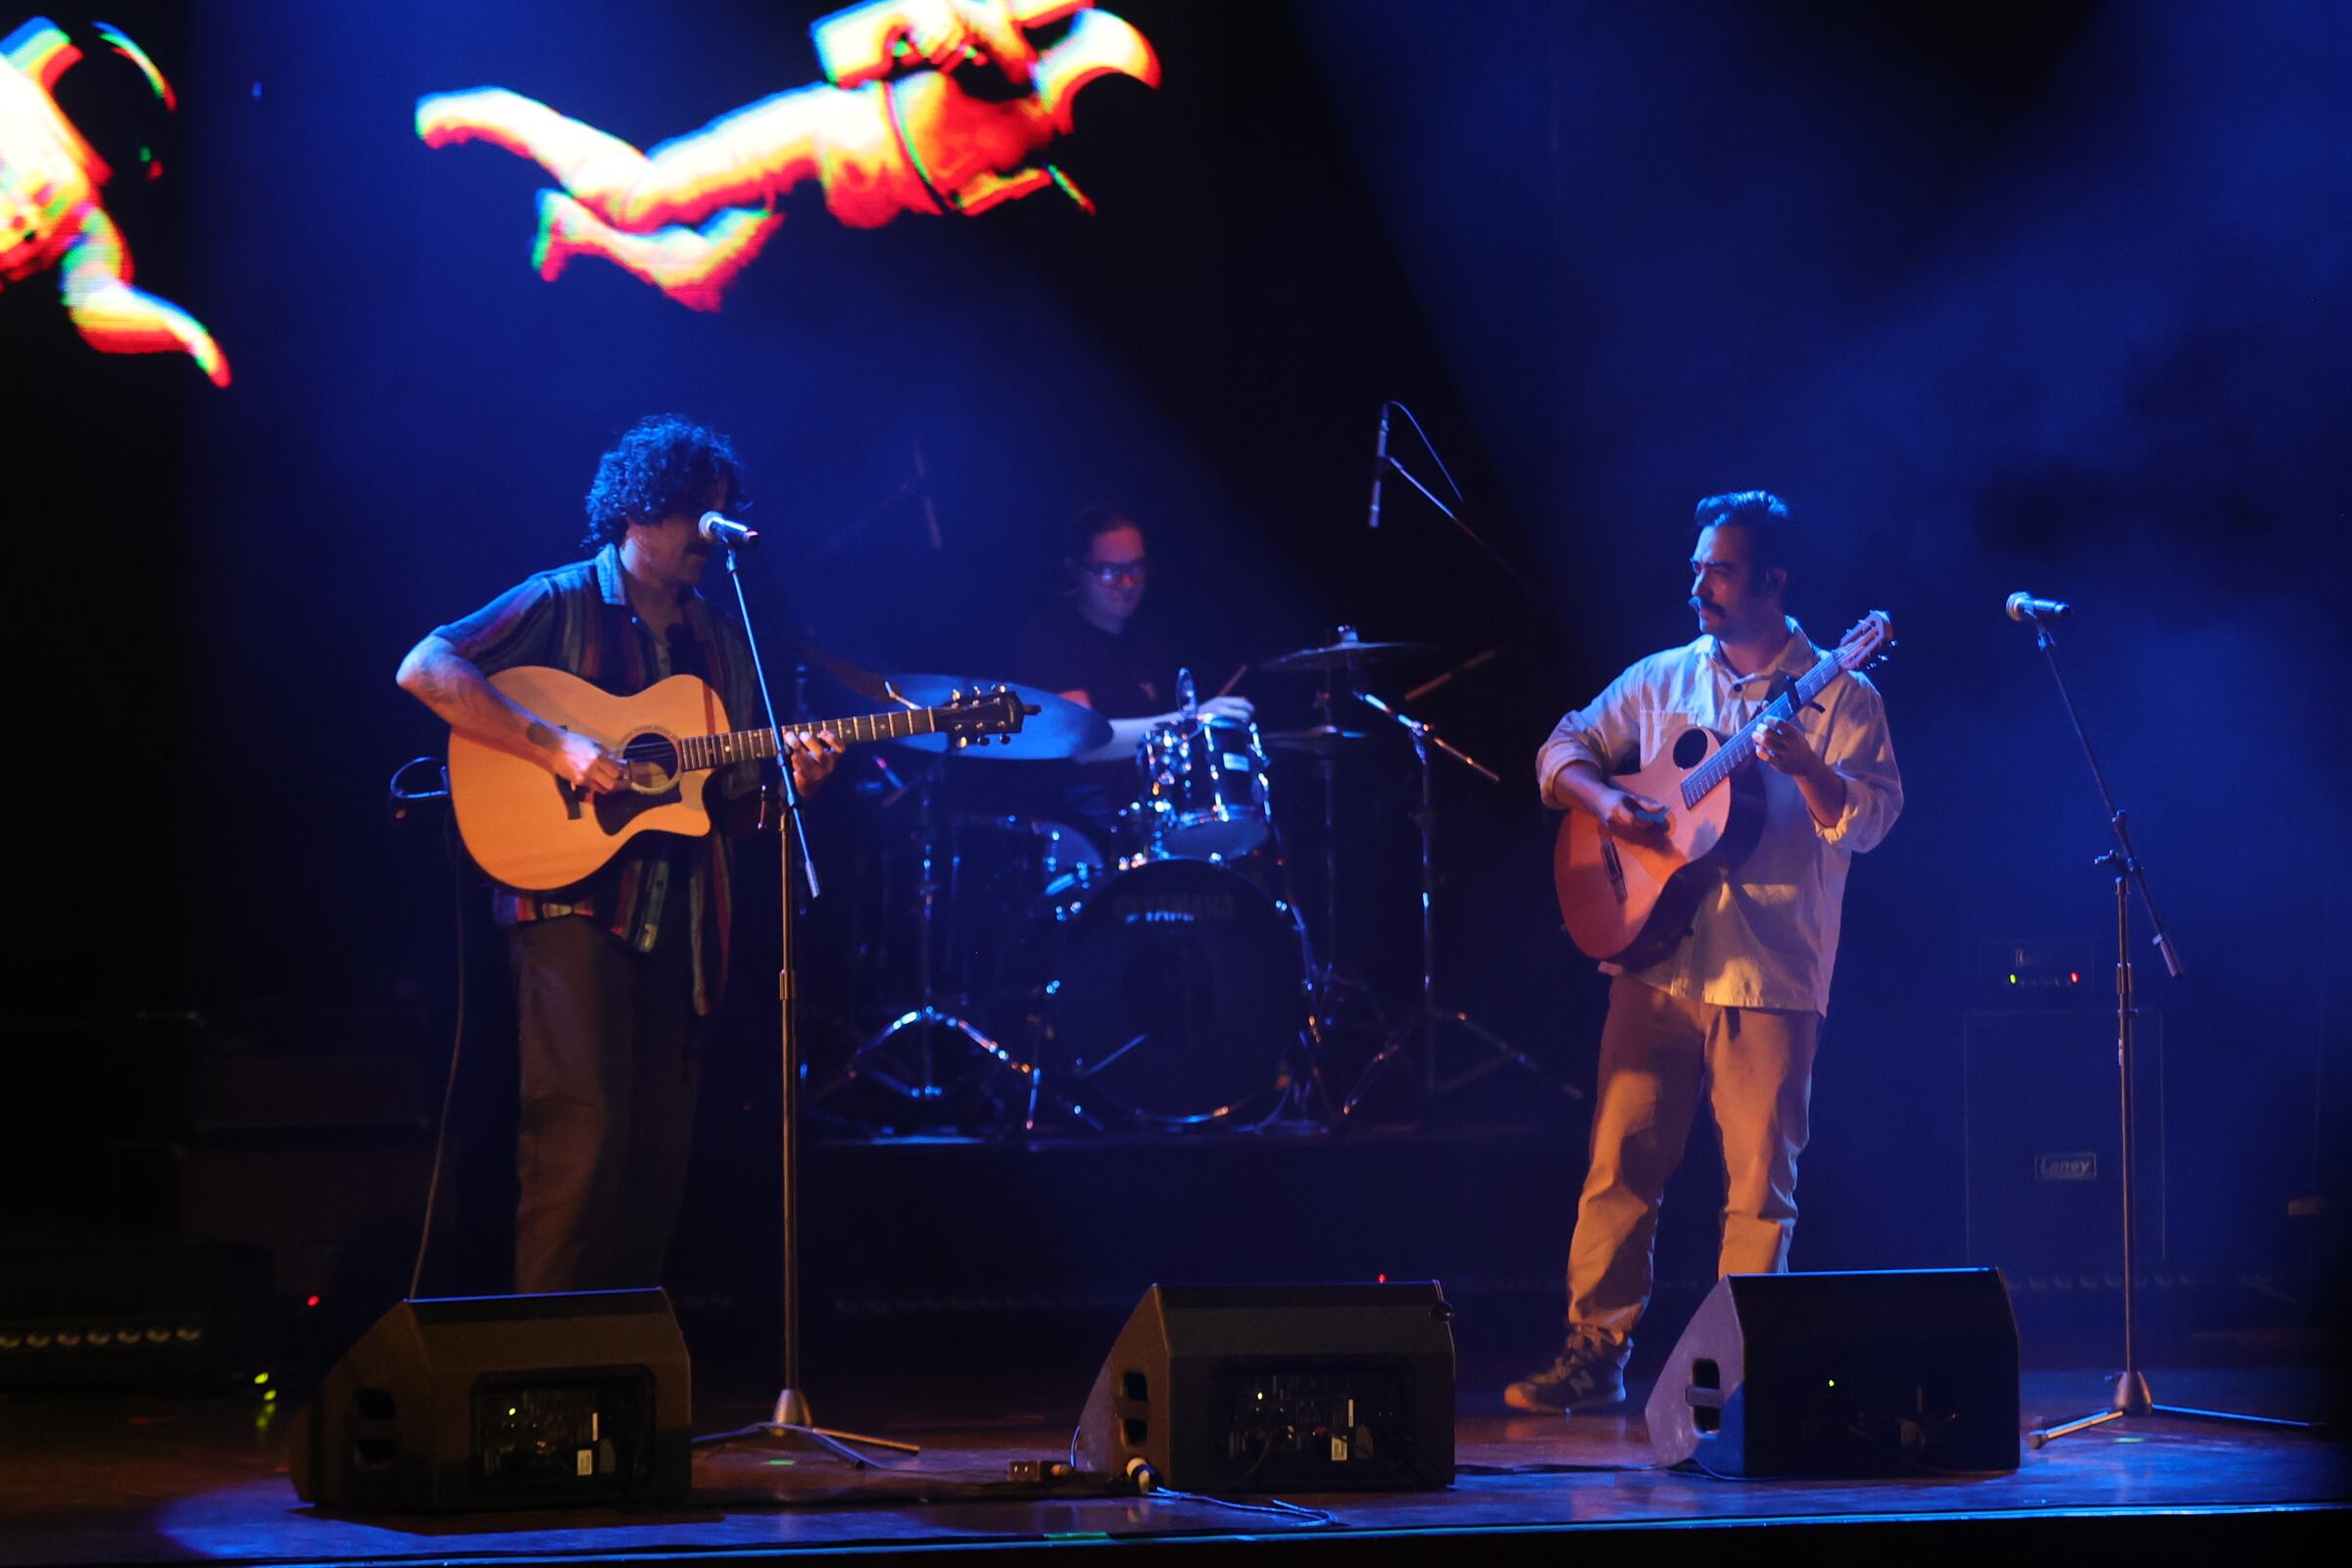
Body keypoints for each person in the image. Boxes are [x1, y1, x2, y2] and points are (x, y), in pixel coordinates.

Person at [395, 415, 842, 1294]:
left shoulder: (722, 638)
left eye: (720, 513)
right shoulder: (559, 601)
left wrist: (796, 786)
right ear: (639, 512)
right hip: (573, 906)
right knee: (583, 1142)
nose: (709, 535)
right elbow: (425, 666)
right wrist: (554, 744)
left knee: (655, 1159)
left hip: (684, 924)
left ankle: (623, 1365)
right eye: (695, 514)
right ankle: (546, 1363)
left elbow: (728, 809)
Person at [1509, 490, 1902, 1413]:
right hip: (1654, 962)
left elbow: (1873, 820)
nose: (1699, 587)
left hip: (1770, 970)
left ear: (1773, 581)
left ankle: (1733, 1376)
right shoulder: (1662, 679)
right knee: (1620, 1165)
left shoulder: (1845, 695)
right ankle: (1594, 1351)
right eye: (1697, 569)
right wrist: (1610, 805)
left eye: (1720, 571)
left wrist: (1809, 768)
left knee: (1758, 1191)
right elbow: (1561, 748)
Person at [1010, 505, 1252, 829]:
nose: (1127, 583)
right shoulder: (1051, 637)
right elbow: (1083, 744)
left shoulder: (1147, 646)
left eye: (1136, 568)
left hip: (1149, 821)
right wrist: (1190, 719)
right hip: (1076, 828)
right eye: (1109, 571)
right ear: (1074, 570)